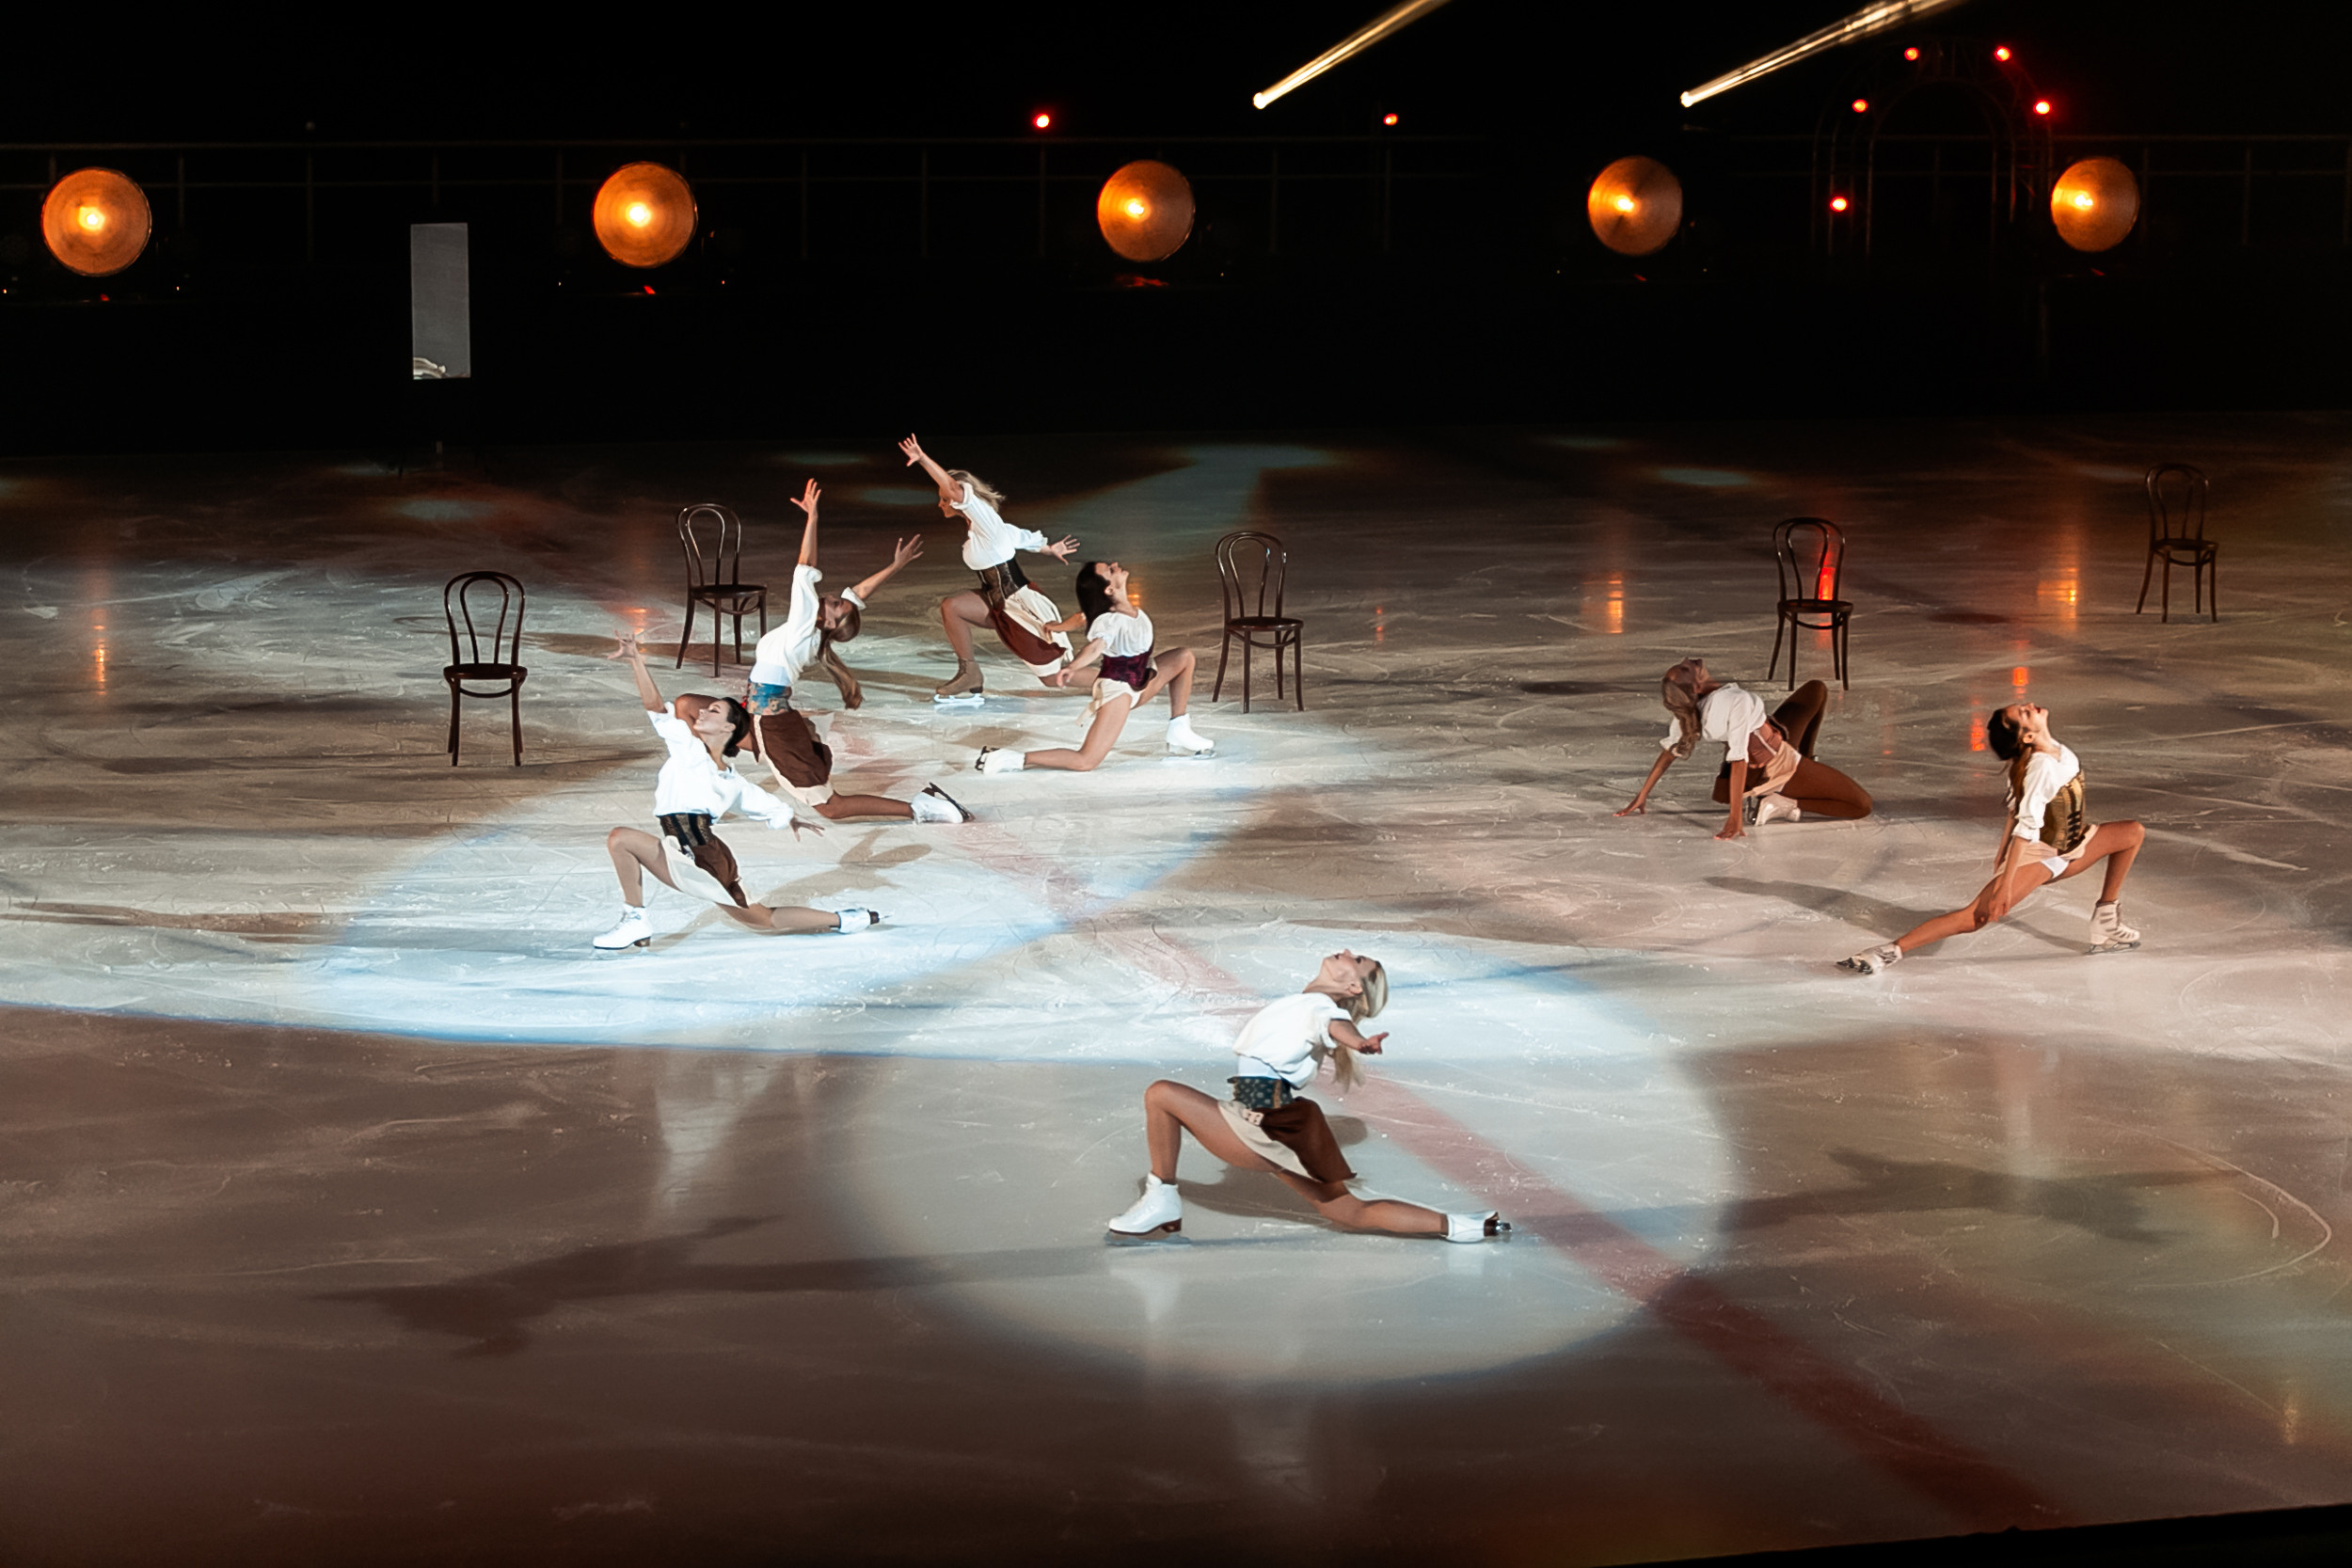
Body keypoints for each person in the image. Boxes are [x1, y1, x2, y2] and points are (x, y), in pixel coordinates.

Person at [1104, 951, 1508, 1244]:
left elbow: (1338, 1028)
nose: (1348, 953)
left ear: (1352, 986)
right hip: (1269, 1117)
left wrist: (1361, 1043)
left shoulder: (1323, 1008)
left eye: (1359, 959)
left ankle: (1162, 1199)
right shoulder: (1307, 1004)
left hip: (1262, 1118)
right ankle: (1459, 1225)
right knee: (1349, 1213)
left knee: (1162, 1095)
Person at [593, 629, 878, 950]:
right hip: (694, 849)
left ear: (730, 728)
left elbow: (761, 803)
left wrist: (789, 817)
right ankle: (847, 918)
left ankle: (635, 919)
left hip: (700, 854)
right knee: (762, 920)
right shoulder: (697, 753)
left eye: (712, 711)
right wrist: (636, 660)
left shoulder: (724, 775)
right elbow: (659, 710)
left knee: (622, 839)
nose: (701, 711)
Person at [1841, 701, 2144, 974]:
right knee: (1975, 917)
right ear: (2026, 736)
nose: (2029, 705)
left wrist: (2000, 850)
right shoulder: (2041, 766)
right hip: (2042, 855)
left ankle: (2106, 917)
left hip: (2077, 844)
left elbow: (2015, 804)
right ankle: (1888, 952)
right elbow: (2026, 826)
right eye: (2023, 713)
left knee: (2132, 833)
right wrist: (2006, 881)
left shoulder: (2052, 752)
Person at [742, 478, 972, 824]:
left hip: (773, 726)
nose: (835, 597)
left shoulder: (805, 626)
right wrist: (896, 566)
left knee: (830, 808)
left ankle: (921, 808)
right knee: (689, 711)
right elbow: (858, 595)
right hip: (758, 716)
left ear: (831, 623)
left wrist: (813, 518)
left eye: (836, 604)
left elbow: (804, 567)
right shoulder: (810, 630)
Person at [974, 560, 1215, 773]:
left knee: (1183, 657)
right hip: (1119, 692)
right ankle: (1011, 758)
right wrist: (1073, 667)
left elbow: (1080, 618)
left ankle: (1179, 729)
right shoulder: (1109, 621)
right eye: (1110, 570)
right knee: (1086, 761)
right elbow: (1096, 647)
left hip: (1143, 680)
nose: (1116, 566)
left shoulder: (1123, 611)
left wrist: (1055, 627)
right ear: (1108, 589)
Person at [898, 433, 1079, 703]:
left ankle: (1114, 681)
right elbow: (1021, 537)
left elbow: (953, 489)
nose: (941, 503)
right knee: (952, 607)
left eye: (944, 499)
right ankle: (970, 674)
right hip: (998, 604)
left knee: (1053, 679)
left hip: (1020, 605)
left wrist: (923, 459)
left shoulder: (984, 520)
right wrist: (1049, 548)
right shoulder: (987, 529)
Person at [1616, 658, 1873, 839]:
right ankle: (1781, 800)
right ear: (1694, 687)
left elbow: (1669, 750)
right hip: (1775, 768)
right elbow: (1738, 759)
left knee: (1815, 690)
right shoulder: (1735, 701)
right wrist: (1735, 817)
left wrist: (1643, 794)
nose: (1689, 660)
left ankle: (1805, 763)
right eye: (1686, 668)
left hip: (1768, 750)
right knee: (1861, 805)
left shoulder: (1693, 712)